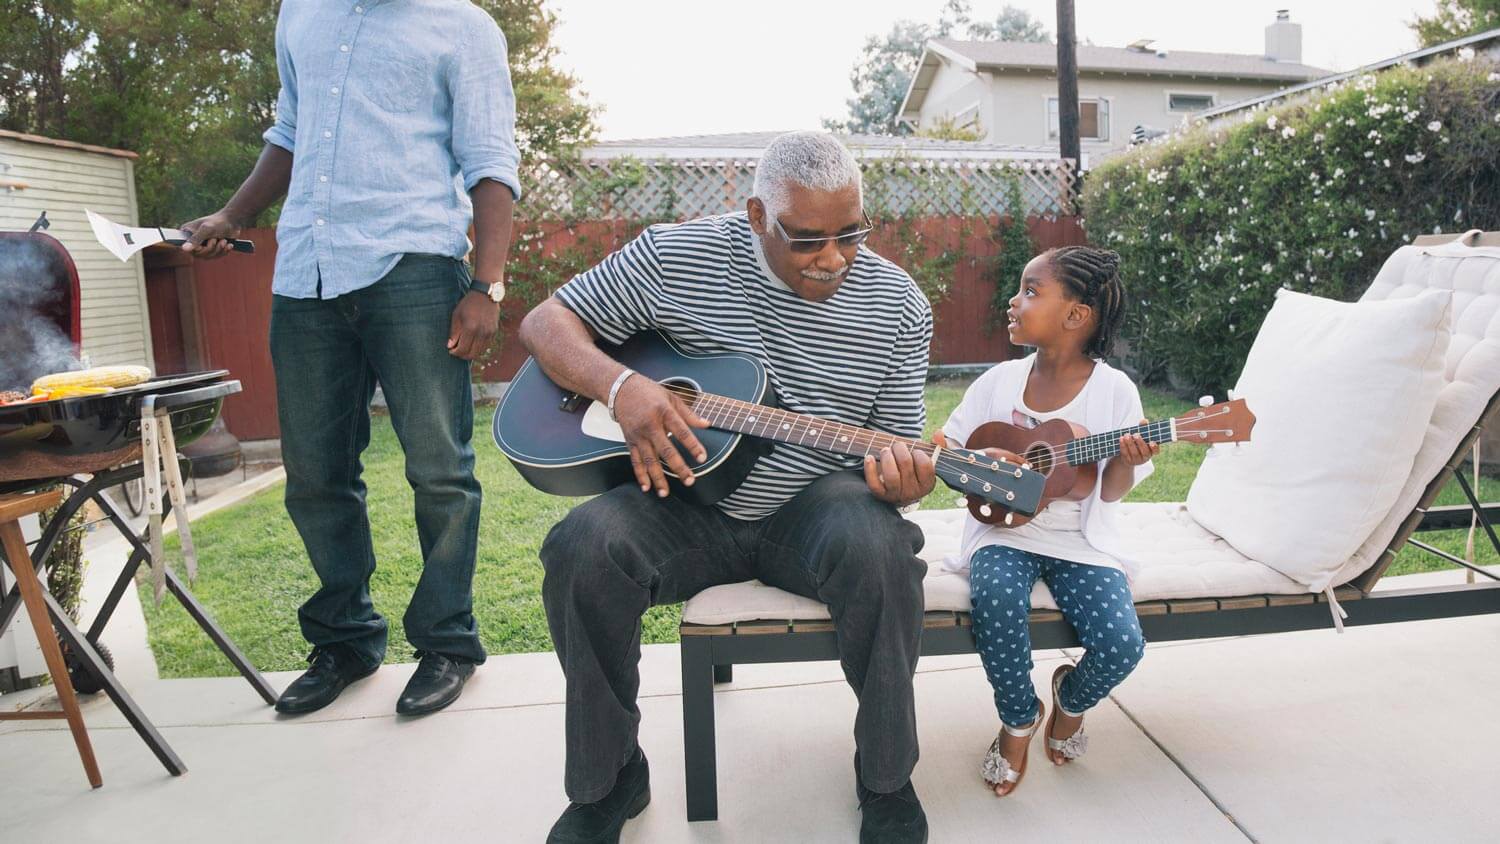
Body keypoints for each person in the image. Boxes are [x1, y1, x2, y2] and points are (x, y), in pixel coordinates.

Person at [520, 132, 935, 844]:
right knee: (582, 547)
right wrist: (622, 387)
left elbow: (895, 455)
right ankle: (609, 780)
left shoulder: (897, 306)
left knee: (884, 546)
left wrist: (906, 483)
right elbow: (544, 323)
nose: (833, 258)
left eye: (852, 233)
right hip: (681, 504)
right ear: (754, 215)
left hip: (816, 507)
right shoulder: (675, 256)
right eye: (807, 240)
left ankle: (887, 780)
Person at [179, 1, 520, 717]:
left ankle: (448, 641)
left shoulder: (462, 25)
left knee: (440, 469)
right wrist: (231, 216)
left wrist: (486, 285)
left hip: (415, 268)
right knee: (313, 474)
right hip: (307, 271)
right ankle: (345, 640)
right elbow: (290, 132)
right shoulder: (301, 11)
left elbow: (490, 163)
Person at [935, 246, 1157, 797]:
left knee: (1122, 644)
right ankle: (1017, 720)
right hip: (1005, 534)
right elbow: (946, 447)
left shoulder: (1115, 392)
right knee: (996, 599)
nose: (1014, 300)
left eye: (1031, 291)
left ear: (1076, 315)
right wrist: (988, 464)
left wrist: (1128, 463)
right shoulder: (998, 382)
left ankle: (1071, 700)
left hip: (1079, 538)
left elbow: (1109, 491)